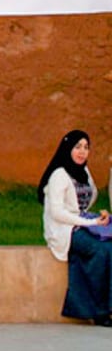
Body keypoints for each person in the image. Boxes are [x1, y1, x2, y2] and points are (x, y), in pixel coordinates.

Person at [38, 130, 112, 326]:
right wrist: (91, 223)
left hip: (81, 223)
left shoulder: (84, 172)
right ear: (68, 148)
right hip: (64, 230)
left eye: (86, 147)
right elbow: (57, 213)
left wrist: (98, 216)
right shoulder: (59, 175)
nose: (82, 152)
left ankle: (107, 306)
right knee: (101, 250)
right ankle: (99, 311)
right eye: (77, 147)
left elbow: (84, 203)